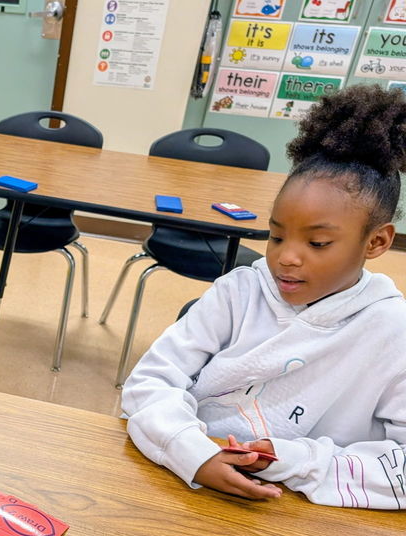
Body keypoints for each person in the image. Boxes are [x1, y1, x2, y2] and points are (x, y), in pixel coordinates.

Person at [121, 84, 406, 510]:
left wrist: (293, 460)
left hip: (302, 515)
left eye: (318, 243)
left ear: (376, 242)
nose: (286, 258)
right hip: (183, 481)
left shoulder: (391, 330)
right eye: (276, 236)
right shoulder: (240, 291)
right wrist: (194, 453)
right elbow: (149, 382)